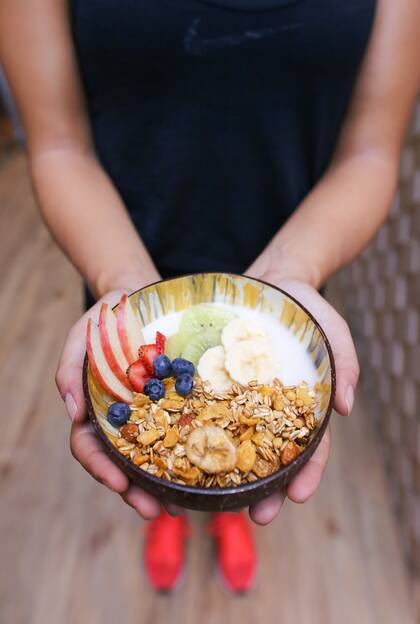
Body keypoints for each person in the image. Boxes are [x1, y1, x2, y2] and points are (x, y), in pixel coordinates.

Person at [1, 0, 419, 594]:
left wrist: (292, 270)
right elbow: (59, 144)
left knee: (243, 436)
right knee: (156, 433)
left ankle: (228, 510)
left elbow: (370, 152)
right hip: (127, 278)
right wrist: (121, 279)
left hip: (280, 292)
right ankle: (169, 501)